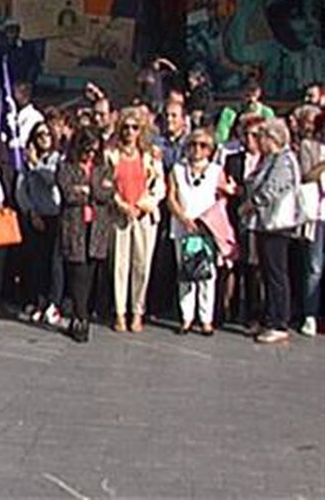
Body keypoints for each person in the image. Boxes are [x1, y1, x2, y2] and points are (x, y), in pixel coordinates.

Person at [104, 106, 165, 333]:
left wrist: (142, 205)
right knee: (119, 264)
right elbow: (106, 183)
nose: (130, 132)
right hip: (119, 214)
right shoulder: (111, 154)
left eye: (134, 128)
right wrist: (120, 204)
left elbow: (160, 186)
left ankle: (138, 311)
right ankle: (120, 312)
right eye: (126, 127)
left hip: (144, 215)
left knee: (142, 265)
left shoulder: (150, 154)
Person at [167, 128, 234, 335]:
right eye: (193, 144)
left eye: (203, 145)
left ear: (210, 149)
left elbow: (224, 197)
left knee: (207, 274)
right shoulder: (177, 169)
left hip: (207, 228)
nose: (197, 149)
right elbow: (171, 197)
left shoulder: (215, 170)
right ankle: (187, 317)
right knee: (185, 273)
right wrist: (183, 218)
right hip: (183, 226)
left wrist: (210, 219)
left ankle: (206, 318)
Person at [243, 118, 300, 344]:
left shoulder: (284, 160)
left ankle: (279, 321)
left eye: (262, 137)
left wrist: (252, 202)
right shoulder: (271, 159)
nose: (260, 142)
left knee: (277, 273)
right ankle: (269, 317)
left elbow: (272, 188)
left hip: (277, 224)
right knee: (267, 271)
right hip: (265, 223)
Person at [58, 128, 112, 343]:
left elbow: (107, 192)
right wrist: (88, 191)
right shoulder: (66, 167)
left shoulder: (103, 167)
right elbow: (68, 193)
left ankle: (80, 314)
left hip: (96, 227)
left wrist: (88, 189)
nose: (90, 154)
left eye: (93, 150)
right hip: (75, 226)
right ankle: (81, 318)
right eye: (86, 150)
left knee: (90, 273)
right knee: (77, 272)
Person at [221, 113, 266, 329]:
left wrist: (242, 191)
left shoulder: (267, 161)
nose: (250, 140)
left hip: (258, 219)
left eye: (255, 135)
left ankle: (253, 311)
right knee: (234, 264)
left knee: (254, 267)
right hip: (235, 216)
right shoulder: (233, 160)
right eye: (246, 135)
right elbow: (226, 185)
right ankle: (229, 308)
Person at [16, 122, 63, 325]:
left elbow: (52, 180)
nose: (43, 138)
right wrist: (30, 211)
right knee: (37, 261)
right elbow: (21, 188)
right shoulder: (27, 161)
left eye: (46, 134)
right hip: (36, 215)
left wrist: (36, 164)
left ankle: (55, 302)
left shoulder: (57, 159)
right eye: (39, 135)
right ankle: (39, 300)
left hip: (54, 214)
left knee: (55, 262)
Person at [299, 112, 325, 336]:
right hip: (318, 215)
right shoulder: (310, 146)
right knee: (314, 267)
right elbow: (306, 176)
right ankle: (310, 314)